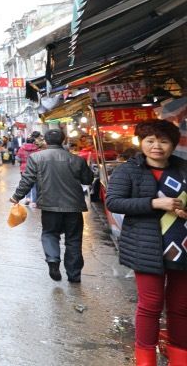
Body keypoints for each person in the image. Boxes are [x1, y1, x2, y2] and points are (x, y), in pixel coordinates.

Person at [104, 120, 187, 366]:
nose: (156, 146)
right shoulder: (128, 171)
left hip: (182, 247)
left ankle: (180, 357)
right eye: (150, 140)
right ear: (141, 143)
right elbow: (114, 202)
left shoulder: (183, 169)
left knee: (181, 306)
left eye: (163, 141)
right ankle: (145, 358)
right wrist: (154, 203)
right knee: (150, 305)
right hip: (146, 247)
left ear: (173, 144)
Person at [10, 128, 93, 283]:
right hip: (73, 206)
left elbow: (27, 180)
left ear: (46, 141)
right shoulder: (76, 159)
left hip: (49, 205)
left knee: (49, 233)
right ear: (63, 140)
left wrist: (16, 197)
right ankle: (74, 275)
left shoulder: (36, 158)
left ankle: (53, 261)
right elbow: (88, 180)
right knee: (73, 240)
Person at [16, 135, 41, 207]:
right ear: (33, 142)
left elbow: (18, 158)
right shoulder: (37, 149)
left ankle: (27, 199)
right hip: (35, 168)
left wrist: (23, 161)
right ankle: (34, 202)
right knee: (34, 185)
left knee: (26, 183)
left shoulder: (21, 148)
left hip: (24, 168)